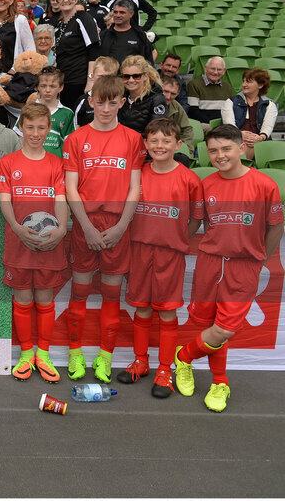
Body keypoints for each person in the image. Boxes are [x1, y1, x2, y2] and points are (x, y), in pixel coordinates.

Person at [173, 124, 285, 412]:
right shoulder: (206, 185)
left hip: (244, 267)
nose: (220, 155)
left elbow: (276, 226)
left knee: (223, 330)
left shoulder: (264, 185)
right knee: (209, 326)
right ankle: (219, 382)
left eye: (226, 149)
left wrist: (260, 259)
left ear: (242, 149)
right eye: (213, 150)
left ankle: (184, 356)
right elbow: (197, 223)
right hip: (209, 264)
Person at [107, 117, 202, 397]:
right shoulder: (138, 173)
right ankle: (141, 361)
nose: (160, 145)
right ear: (145, 144)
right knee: (142, 308)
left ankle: (164, 369)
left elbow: (196, 218)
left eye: (166, 140)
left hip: (170, 254)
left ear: (178, 143)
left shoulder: (189, 178)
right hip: (139, 250)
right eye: (154, 140)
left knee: (167, 309)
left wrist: (179, 239)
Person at [62, 75, 145, 383]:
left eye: (113, 102)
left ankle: (105, 357)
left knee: (112, 297)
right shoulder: (75, 139)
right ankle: (75, 353)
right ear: (92, 100)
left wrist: (122, 226)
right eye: (101, 102)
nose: (106, 109)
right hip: (85, 225)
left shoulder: (133, 139)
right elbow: (71, 189)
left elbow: (135, 187)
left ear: (122, 102)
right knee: (80, 292)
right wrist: (85, 228)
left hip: (117, 225)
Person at [0, 102, 68, 383]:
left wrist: (60, 231)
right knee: (22, 299)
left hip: (49, 243)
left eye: (41, 128)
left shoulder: (57, 164)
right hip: (19, 243)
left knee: (45, 299)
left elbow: (61, 200)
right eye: (30, 127)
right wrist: (16, 228)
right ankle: (25, 354)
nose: (35, 133)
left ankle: (43, 354)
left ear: (49, 130)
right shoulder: (8, 163)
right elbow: (4, 200)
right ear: (20, 128)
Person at [52, 0, 100, 108]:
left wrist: (91, 80)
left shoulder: (83, 18)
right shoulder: (60, 25)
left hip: (79, 81)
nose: (66, 0)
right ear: (57, 0)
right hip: (64, 82)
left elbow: (94, 50)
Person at [221, 67, 278, 160]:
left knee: (254, 145)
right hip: (235, 138)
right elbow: (229, 125)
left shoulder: (270, 105)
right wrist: (240, 134)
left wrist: (260, 138)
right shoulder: (230, 102)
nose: (244, 85)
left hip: (259, 141)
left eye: (248, 82)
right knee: (246, 145)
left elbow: (267, 128)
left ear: (260, 85)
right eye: (243, 81)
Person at [34, 67, 75, 157]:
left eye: (52, 86)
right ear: (37, 87)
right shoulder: (29, 110)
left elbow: (70, 144)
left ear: (61, 87)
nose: (47, 90)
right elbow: (20, 139)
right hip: (32, 164)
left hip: (57, 165)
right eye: (43, 86)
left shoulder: (67, 113)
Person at [99, 0, 155, 64]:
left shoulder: (139, 35)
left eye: (122, 12)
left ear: (131, 14)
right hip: (109, 73)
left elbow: (149, 60)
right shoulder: (104, 35)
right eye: (115, 12)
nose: (118, 15)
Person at [187, 56, 233, 129]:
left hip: (222, 125)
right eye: (212, 68)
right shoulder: (194, 84)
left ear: (224, 71)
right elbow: (193, 111)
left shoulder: (227, 87)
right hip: (203, 124)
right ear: (206, 69)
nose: (215, 72)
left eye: (219, 69)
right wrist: (213, 125)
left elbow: (229, 110)